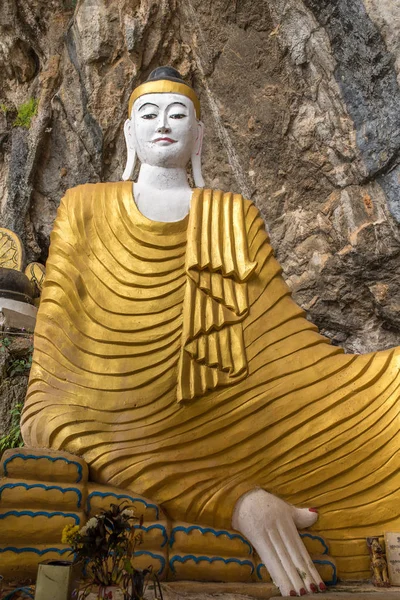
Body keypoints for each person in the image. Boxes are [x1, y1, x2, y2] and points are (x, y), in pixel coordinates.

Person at [21, 67, 400, 597]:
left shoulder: (233, 215)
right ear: (128, 133)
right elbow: (45, 404)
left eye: (178, 115)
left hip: (252, 423)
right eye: (148, 115)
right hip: (127, 428)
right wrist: (231, 499)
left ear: (199, 136)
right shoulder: (83, 208)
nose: (163, 125)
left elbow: (287, 348)